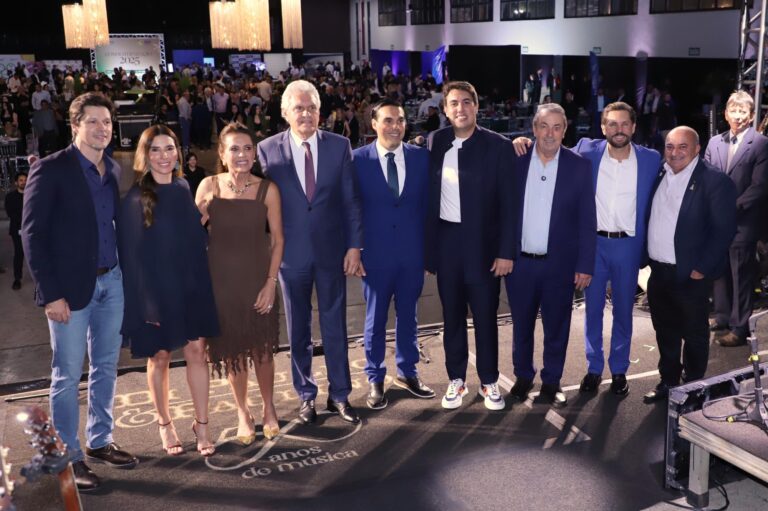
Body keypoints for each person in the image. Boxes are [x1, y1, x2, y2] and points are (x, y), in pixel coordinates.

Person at [21, 92, 137, 491]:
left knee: (106, 366)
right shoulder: (51, 169)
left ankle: (100, 440)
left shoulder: (113, 169)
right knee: (67, 376)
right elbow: (33, 235)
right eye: (93, 121)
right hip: (69, 292)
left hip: (111, 281)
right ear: (75, 125)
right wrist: (50, 293)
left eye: (107, 122)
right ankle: (67, 459)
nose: (102, 128)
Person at [512, 102, 661, 396]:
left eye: (624, 124)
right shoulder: (587, 151)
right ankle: (594, 368)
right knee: (592, 310)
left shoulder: (651, 159)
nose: (619, 129)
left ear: (633, 127)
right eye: (612, 124)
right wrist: (521, 141)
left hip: (628, 245)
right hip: (593, 245)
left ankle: (619, 370)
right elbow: (549, 145)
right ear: (603, 128)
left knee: (624, 311)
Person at [257, 80, 363, 425]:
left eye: (312, 108)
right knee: (298, 329)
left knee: (335, 326)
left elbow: (350, 201)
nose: (306, 114)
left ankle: (340, 395)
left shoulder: (340, 146)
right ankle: (305, 395)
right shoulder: (266, 150)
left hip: (332, 252)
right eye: (299, 108)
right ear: (285, 112)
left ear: (321, 112)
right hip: (290, 257)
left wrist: (354, 246)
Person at [119, 125, 219, 456]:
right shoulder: (136, 198)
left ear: (178, 152)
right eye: (156, 150)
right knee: (160, 357)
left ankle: (202, 426)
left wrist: (203, 215)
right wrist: (147, 305)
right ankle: (165, 423)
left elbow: (189, 237)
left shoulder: (182, 186)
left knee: (197, 352)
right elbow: (132, 258)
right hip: (156, 292)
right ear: (145, 155)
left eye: (169, 148)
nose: (164, 156)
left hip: (191, 285)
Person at [424, 81, 515, 411]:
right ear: (445, 110)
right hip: (447, 242)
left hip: (483, 246)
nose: (460, 108)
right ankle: (456, 379)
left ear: (476, 107)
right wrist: (430, 252)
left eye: (466, 102)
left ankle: (489, 381)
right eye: (453, 103)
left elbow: (509, 205)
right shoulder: (436, 141)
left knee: (486, 316)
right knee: (452, 316)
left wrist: (505, 252)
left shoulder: (499, 146)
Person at [197, 123, 284, 442]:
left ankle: (269, 407)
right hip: (221, 283)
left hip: (258, 280)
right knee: (233, 353)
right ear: (222, 154)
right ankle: (243, 412)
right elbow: (191, 235)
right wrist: (202, 214)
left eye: (248, 148)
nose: (242, 154)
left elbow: (278, 240)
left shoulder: (267, 189)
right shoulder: (208, 186)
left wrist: (271, 282)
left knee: (263, 350)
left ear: (255, 153)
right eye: (234, 149)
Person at [505, 103, 596, 408]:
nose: (550, 133)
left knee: (557, 327)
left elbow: (587, 219)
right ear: (533, 129)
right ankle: (523, 375)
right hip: (520, 264)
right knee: (521, 326)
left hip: (560, 266)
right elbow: (502, 212)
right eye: (544, 126)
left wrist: (585, 264)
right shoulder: (515, 160)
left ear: (565, 131)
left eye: (557, 127)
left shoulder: (579, 166)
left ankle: (552, 380)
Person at [643, 126, 737, 403]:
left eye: (683, 146)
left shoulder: (715, 181)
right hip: (659, 272)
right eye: (670, 146)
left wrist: (702, 268)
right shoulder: (659, 173)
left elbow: (724, 230)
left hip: (691, 275)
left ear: (697, 149)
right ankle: (669, 382)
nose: (675, 152)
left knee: (694, 335)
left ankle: (693, 388)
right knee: (665, 332)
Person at [353, 98, 434, 410]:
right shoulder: (357, 160)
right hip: (375, 255)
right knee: (375, 320)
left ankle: (408, 372)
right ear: (374, 124)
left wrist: (427, 252)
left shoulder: (421, 157)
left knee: (409, 316)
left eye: (400, 120)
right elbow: (351, 209)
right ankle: (375, 378)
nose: (395, 126)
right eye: (387, 120)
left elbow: (427, 207)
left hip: (412, 254)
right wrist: (354, 249)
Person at [704, 91, 768, 347]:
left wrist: (731, 207)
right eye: (734, 111)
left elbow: (759, 186)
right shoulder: (714, 143)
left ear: (751, 116)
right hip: (717, 220)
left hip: (744, 221)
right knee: (719, 270)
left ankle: (740, 327)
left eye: (743, 112)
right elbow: (706, 177)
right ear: (726, 114)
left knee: (740, 274)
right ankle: (722, 316)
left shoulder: (761, 143)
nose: (738, 116)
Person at [4, 172, 26, 290]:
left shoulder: (33, 194)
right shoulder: (10, 197)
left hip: (32, 230)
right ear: (16, 182)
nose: (24, 182)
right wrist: (22, 225)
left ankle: (40, 279)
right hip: (17, 229)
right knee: (19, 253)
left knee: (36, 254)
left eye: (25, 180)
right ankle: (17, 278)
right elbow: (11, 213)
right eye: (21, 180)